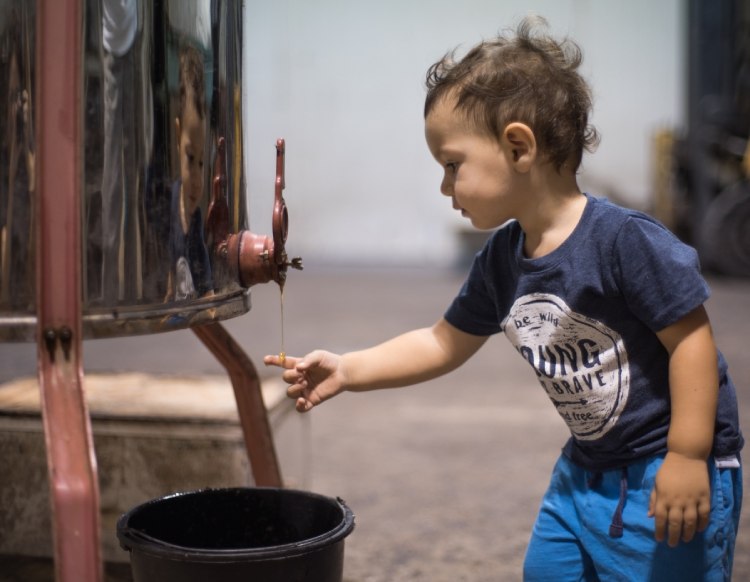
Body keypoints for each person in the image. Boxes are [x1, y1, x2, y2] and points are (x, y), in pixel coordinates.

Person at [264, 17, 743, 581]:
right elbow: (442, 342)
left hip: (664, 469)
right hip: (584, 470)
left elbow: (692, 342)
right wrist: (348, 368)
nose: (445, 188)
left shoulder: (624, 241)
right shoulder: (501, 260)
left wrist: (687, 456)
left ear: (519, 147)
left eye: (452, 165)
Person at [165, 43, 212, 302]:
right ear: (176, 134)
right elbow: (170, 248)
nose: (196, 178)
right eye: (190, 158)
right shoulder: (171, 201)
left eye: (202, 163)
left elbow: (201, 257)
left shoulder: (195, 217)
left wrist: (209, 294)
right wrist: (169, 288)